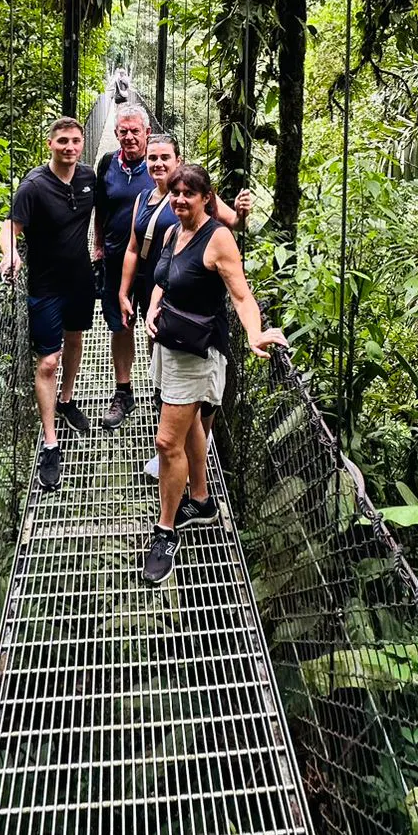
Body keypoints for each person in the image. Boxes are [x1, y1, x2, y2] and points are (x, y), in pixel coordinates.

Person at [141, 163, 286, 586]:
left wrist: (255, 333)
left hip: (197, 354)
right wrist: (153, 306)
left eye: (189, 193)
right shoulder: (172, 232)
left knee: (166, 442)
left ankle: (166, 531)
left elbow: (241, 294)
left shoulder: (218, 237)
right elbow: (165, 278)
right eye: (175, 193)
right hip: (170, 344)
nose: (180, 200)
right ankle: (202, 502)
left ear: (207, 198)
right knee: (188, 429)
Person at [118, 133, 251, 479]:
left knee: (191, 406)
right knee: (174, 395)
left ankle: (188, 463)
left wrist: (255, 332)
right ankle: (191, 472)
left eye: (165, 157)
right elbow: (145, 258)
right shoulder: (154, 210)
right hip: (167, 315)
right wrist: (136, 298)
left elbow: (240, 289)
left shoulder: (205, 213)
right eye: (153, 158)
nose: (158, 163)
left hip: (199, 328)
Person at [0, 116, 96, 493]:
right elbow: (9, 227)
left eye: (75, 141)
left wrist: (102, 244)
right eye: (62, 141)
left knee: (75, 339)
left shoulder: (88, 177)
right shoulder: (33, 186)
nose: (69, 147)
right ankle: (50, 444)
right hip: (46, 285)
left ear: (83, 144)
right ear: (50, 144)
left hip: (80, 279)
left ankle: (66, 400)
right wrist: (10, 254)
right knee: (48, 361)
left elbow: (104, 214)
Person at [92, 102, 152, 430]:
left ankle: (162, 390)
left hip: (155, 265)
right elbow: (100, 209)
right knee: (121, 326)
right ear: (115, 133)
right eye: (123, 131)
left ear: (148, 133)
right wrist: (98, 246)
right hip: (116, 262)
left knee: (157, 327)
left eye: (135, 131)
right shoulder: (107, 164)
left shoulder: (160, 165)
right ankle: (123, 392)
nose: (129, 137)